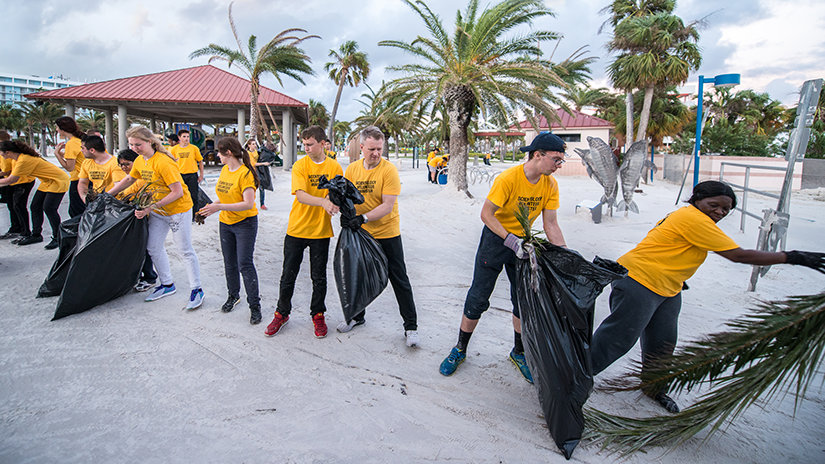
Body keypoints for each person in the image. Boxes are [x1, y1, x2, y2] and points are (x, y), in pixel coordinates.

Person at [590, 180, 825, 413]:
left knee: (663, 342)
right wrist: (793, 257)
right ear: (697, 199)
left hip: (669, 287)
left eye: (725, 209)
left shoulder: (697, 218)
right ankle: (574, 376)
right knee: (619, 338)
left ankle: (654, 388)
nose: (719, 212)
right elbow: (738, 256)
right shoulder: (693, 218)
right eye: (714, 205)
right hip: (639, 280)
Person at [439, 132, 568, 383]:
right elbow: (487, 214)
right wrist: (510, 240)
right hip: (496, 240)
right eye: (556, 159)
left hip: (524, 245)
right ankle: (460, 349)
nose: (558, 165)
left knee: (522, 300)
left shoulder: (550, 185)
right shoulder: (509, 178)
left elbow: (551, 223)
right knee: (478, 297)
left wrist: (566, 255)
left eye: (561, 160)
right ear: (538, 155)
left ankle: (518, 352)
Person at [339, 126, 420, 347]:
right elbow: (348, 199)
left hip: (387, 232)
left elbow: (387, 205)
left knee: (399, 278)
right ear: (362, 147)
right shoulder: (353, 170)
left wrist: (362, 218)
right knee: (357, 275)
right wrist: (343, 210)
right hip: (361, 232)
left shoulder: (388, 170)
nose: (376, 153)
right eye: (372, 149)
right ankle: (357, 316)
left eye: (380, 149)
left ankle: (411, 327)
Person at [108, 126, 204, 309]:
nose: (135, 148)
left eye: (139, 144)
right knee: (153, 247)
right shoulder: (140, 161)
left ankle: (197, 289)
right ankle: (167, 284)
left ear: (150, 142)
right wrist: (108, 195)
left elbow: (176, 192)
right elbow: (129, 179)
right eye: (131, 144)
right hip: (159, 212)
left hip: (178, 210)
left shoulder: (163, 162)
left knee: (184, 249)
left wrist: (150, 207)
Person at [265, 125, 342, 339]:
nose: (305, 148)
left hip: (320, 231)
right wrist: (324, 202)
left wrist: (335, 203)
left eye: (310, 144)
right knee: (288, 275)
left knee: (319, 277)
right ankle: (282, 313)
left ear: (323, 144)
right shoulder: (300, 165)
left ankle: (318, 314)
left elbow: (336, 194)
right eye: (304, 144)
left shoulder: (335, 167)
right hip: (297, 229)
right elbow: (300, 195)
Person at [198, 137, 262, 325]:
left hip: (245, 223)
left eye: (219, 152)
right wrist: (210, 208)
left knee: (245, 263)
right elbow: (222, 196)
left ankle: (255, 306)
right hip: (225, 222)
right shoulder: (226, 170)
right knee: (229, 262)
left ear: (228, 153)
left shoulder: (245, 174)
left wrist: (218, 207)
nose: (217, 156)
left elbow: (248, 203)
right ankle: (233, 296)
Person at [0, 140, 70, 248]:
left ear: (7, 152)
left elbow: (11, 180)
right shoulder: (20, 158)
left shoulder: (23, 160)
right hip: (47, 182)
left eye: (1, 152)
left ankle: (58, 237)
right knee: (35, 206)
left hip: (58, 180)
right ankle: (36, 235)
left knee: (49, 208)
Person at [116, 149, 158, 292]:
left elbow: (125, 195)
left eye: (127, 164)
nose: (124, 168)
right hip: (130, 218)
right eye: (121, 165)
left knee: (144, 249)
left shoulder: (140, 180)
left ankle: (149, 277)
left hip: (140, 219)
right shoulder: (126, 178)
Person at [0, 131, 35, 241]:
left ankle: (25, 232)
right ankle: (16, 228)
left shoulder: (8, 151)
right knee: (12, 205)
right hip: (14, 182)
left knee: (18, 206)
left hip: (22, 181)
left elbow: (7, 171)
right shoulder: (6, 151)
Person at [53, 116, 86, 217]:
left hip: (78, 180)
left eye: (57, 128)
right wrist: (63, 154)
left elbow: (69, 167)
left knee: (76, 212)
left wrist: (57, 154)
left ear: (62, 129)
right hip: (87, 179)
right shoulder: (80, 140)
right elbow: (79, 159)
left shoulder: (71, 144)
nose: (56, 130)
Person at [170, 129, 204, 221]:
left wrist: (201, 175)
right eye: (184, 137)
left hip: (192, 175)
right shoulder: (174, 149)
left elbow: (200, 161)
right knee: (179, 196)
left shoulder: (194, 148)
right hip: (179, 176)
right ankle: (180, 214)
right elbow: (170, 163)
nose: (186, 139)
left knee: (194, 195)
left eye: (188, 137)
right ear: (179, 138)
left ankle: (194, 216)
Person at [77, 135, 122, 201]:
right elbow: (82, 182)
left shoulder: (115, 163)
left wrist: (102, 199)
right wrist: (85, 199)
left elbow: (118, 186)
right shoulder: (86, 162)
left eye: (83, 148)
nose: (81, 151)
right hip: (97, 201)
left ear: (92, 150)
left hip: (113, 202)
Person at [245, 138, 270, 211]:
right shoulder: (248, 153)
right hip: (251, 173)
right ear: (249, 145)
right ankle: (249, 204)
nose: (255, 145)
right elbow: (254, 163)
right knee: (252, 189)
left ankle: (262, 204)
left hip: (258, 172)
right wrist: (263, 163)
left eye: (255, 144)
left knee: (262, 188)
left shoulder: (256, 151)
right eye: (253, 144)